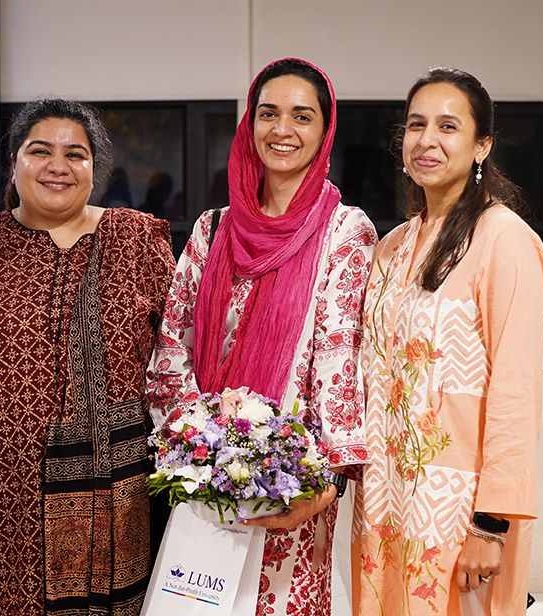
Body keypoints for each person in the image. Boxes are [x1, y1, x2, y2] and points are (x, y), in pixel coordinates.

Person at [145, 58, 373, 615]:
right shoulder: (212, 229)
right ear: (249, 125)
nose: (282, 129)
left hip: (295, 487)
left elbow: (339, 361)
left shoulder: (346, 231)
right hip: (204, 479)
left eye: (302, 116)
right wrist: (202, 450)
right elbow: (173, 346)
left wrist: (320, 480)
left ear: (325, 131)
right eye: (267, 113)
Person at [0, 98, 174, 616]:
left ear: (95, 168)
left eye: (75, 154)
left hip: (113, 488)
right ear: (14, 164)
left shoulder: (136, 240)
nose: (57, 166)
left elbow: (180, 351)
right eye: (40, 151)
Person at [351, 67, 543, 616]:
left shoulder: (504, 239)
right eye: (416, 125)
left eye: (447, 126)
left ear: (482, 145)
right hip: (386, 498)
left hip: (460, 510)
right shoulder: (392, 246)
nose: (427, 140)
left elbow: (516, 392)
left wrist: (491, 525)